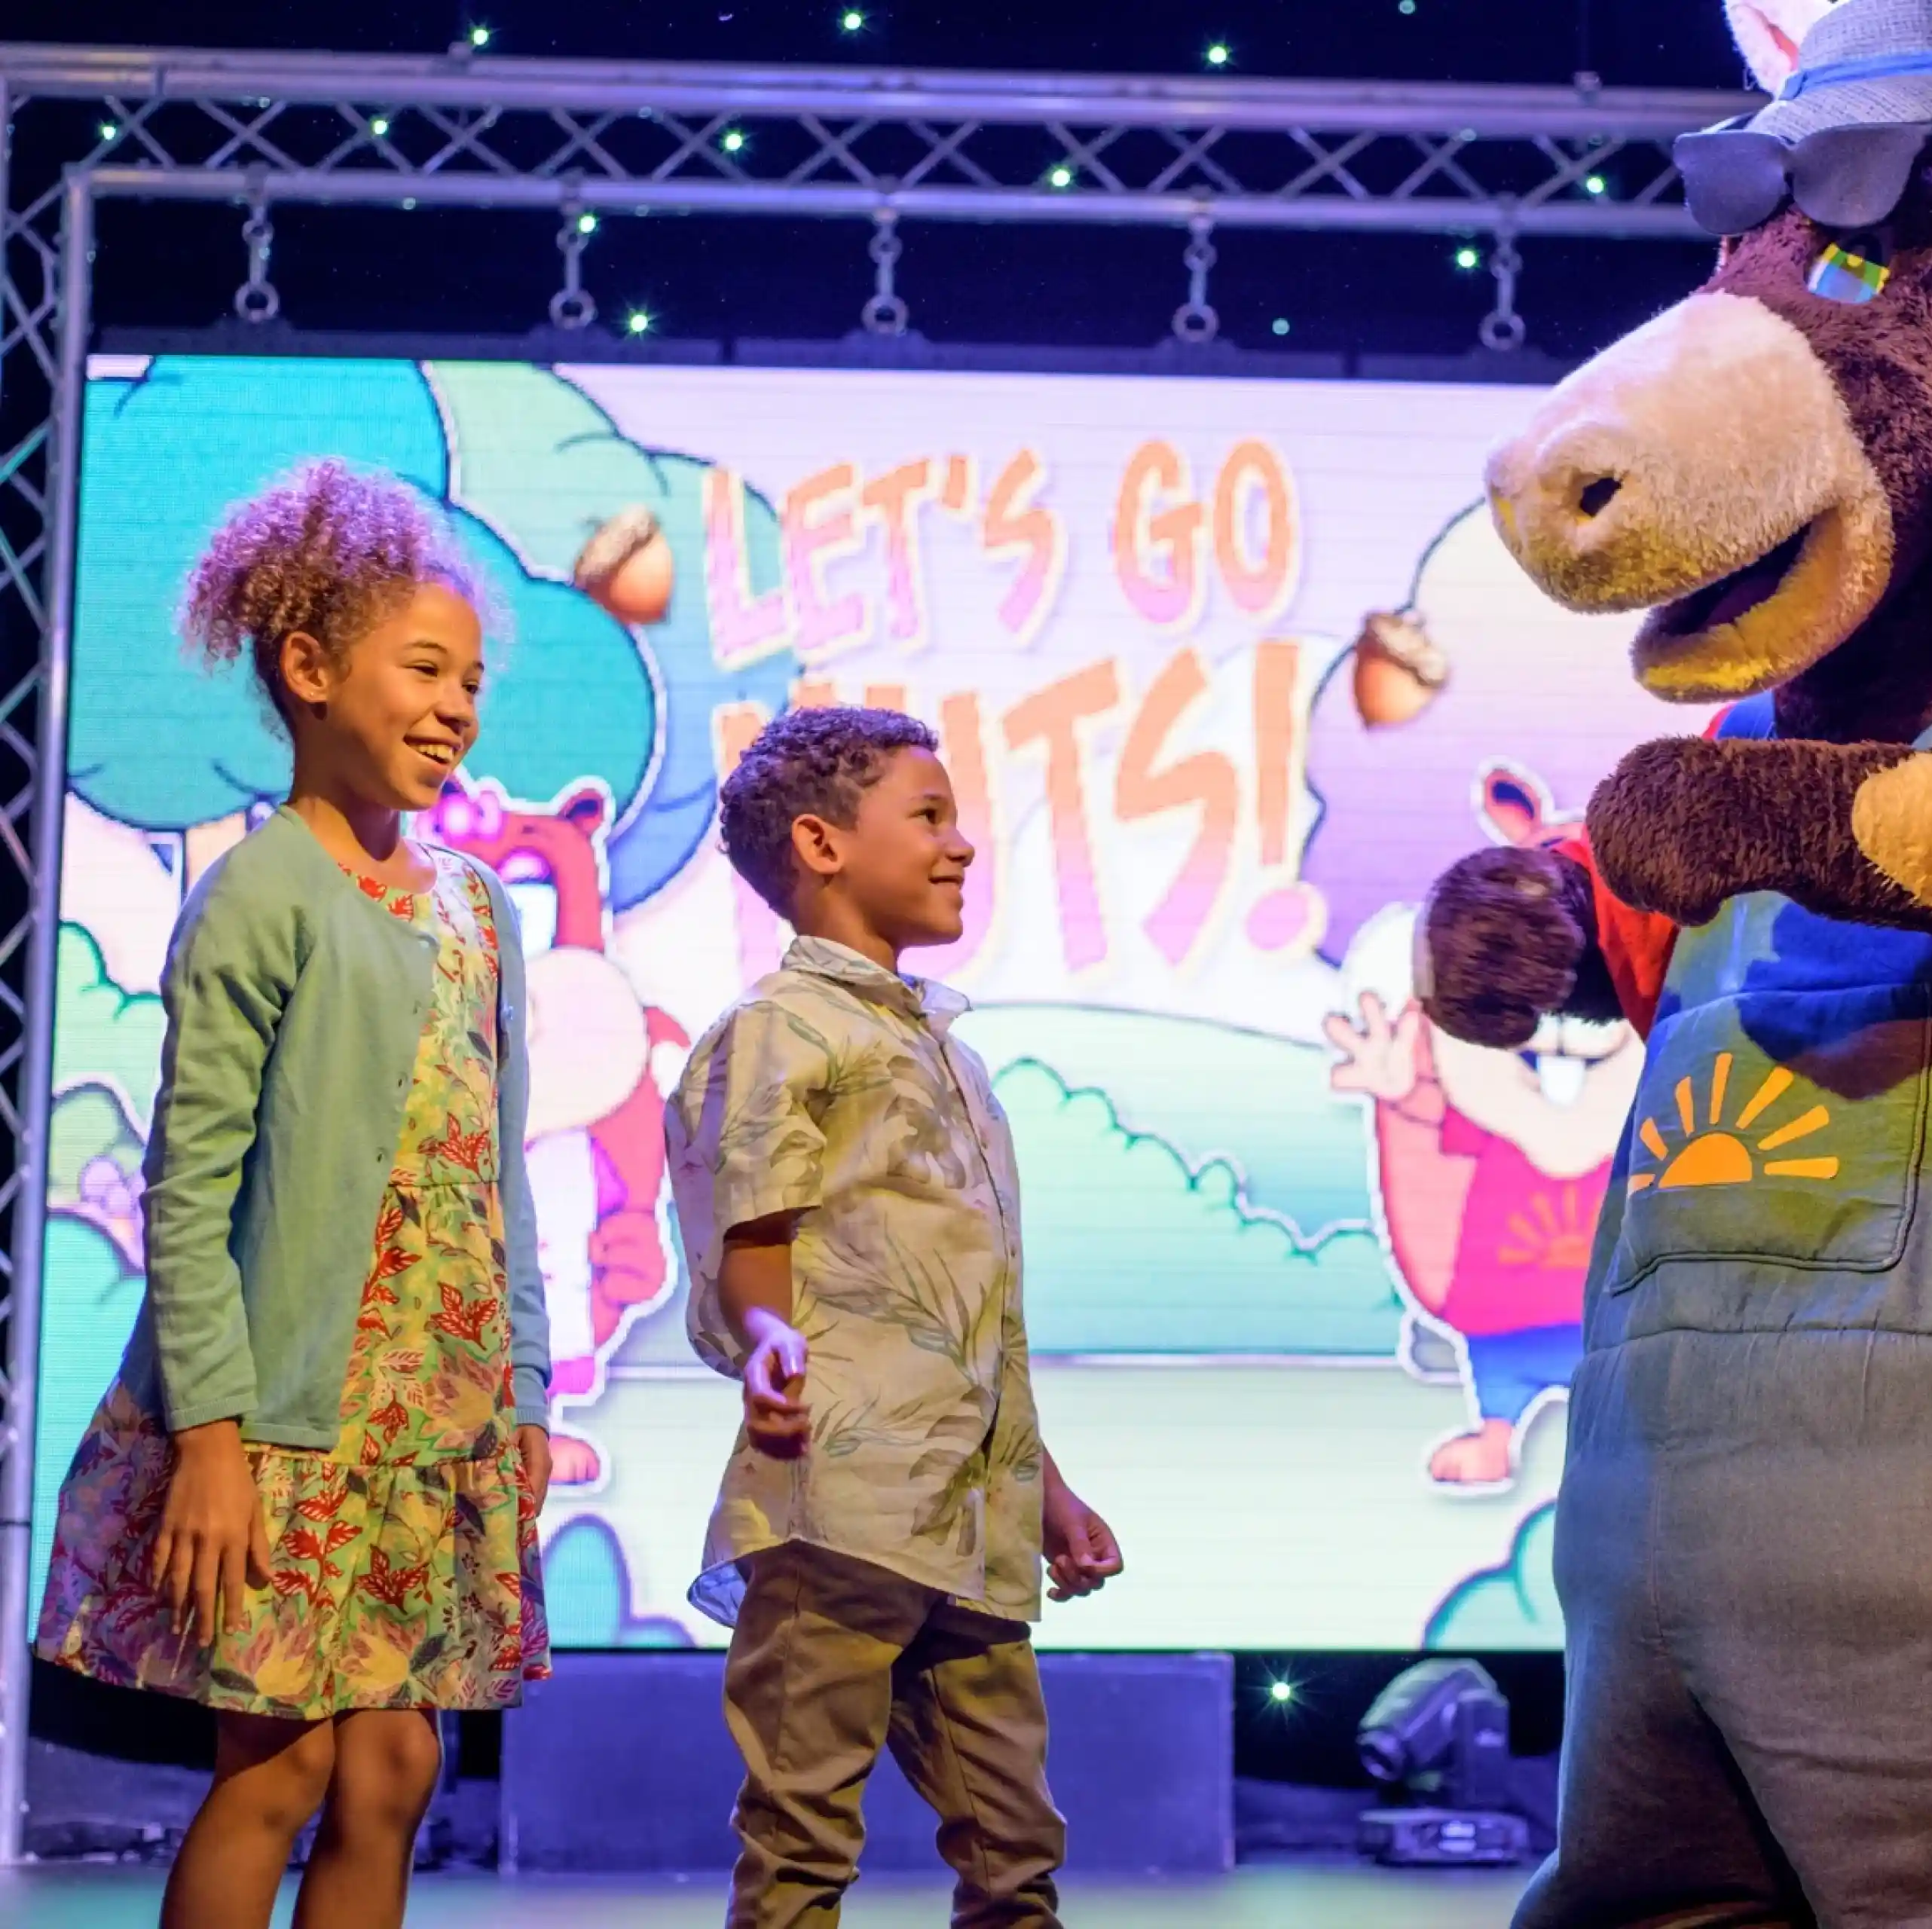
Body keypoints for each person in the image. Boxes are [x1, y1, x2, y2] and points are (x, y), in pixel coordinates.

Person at [35, 460, 552, 1929]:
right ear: (312, 669)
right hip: (284, 1419)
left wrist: (518, 1391)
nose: (458, 705)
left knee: (392, 1761)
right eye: (425, 669)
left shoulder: (475, 908)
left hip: (434, 1420)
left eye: (471, 679)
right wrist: (212, 1435)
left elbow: (495, 1175)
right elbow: (187, 1187)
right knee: (280, 1761)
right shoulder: (263, 895)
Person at [667, 705, 1123, 1929]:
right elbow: (749, 1235)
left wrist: (1049, 1488)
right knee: (804, 1833)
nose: (960, 844)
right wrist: (769, 1338)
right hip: (841, 1498)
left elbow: (973, 1318)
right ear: (822, 845)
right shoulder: (780, 1032)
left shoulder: (951, 1060)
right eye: (927, 817)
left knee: (1015, 1840)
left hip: (969, 1520)